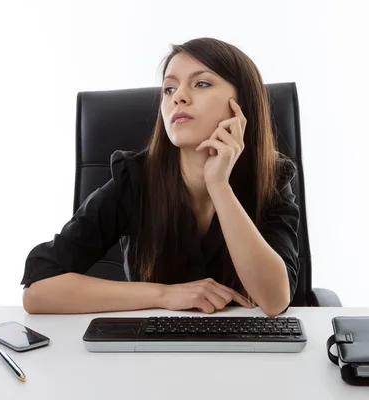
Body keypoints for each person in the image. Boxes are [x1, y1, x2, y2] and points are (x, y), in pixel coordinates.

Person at [21, 37, 300, 316]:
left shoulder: (273, 178)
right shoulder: (135, 179)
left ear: (242, 103)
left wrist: (219, 185)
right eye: (169, 88)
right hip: (153, 349)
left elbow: (275, 301)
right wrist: (165, 294)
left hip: (248, 350)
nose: (178, 96)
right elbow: (38, 290)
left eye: (201, 83)